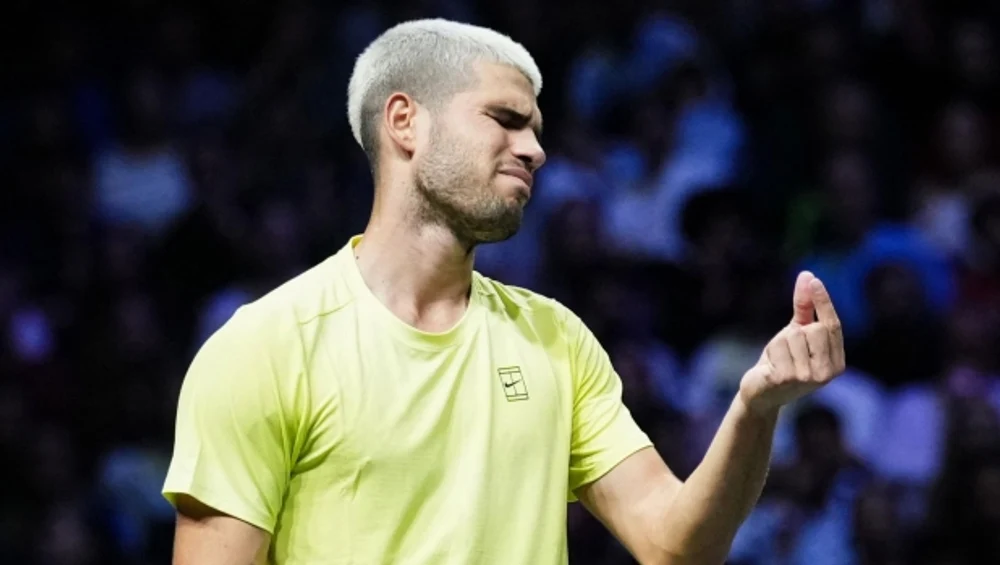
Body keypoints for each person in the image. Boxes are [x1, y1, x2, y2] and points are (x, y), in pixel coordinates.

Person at [162, 18, 846, 565]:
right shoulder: (264, 348)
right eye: (505, 119)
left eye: (537, 130)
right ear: (405, 122)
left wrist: (756, 408)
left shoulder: (557, 340)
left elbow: (675, 544)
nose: (534, 149)